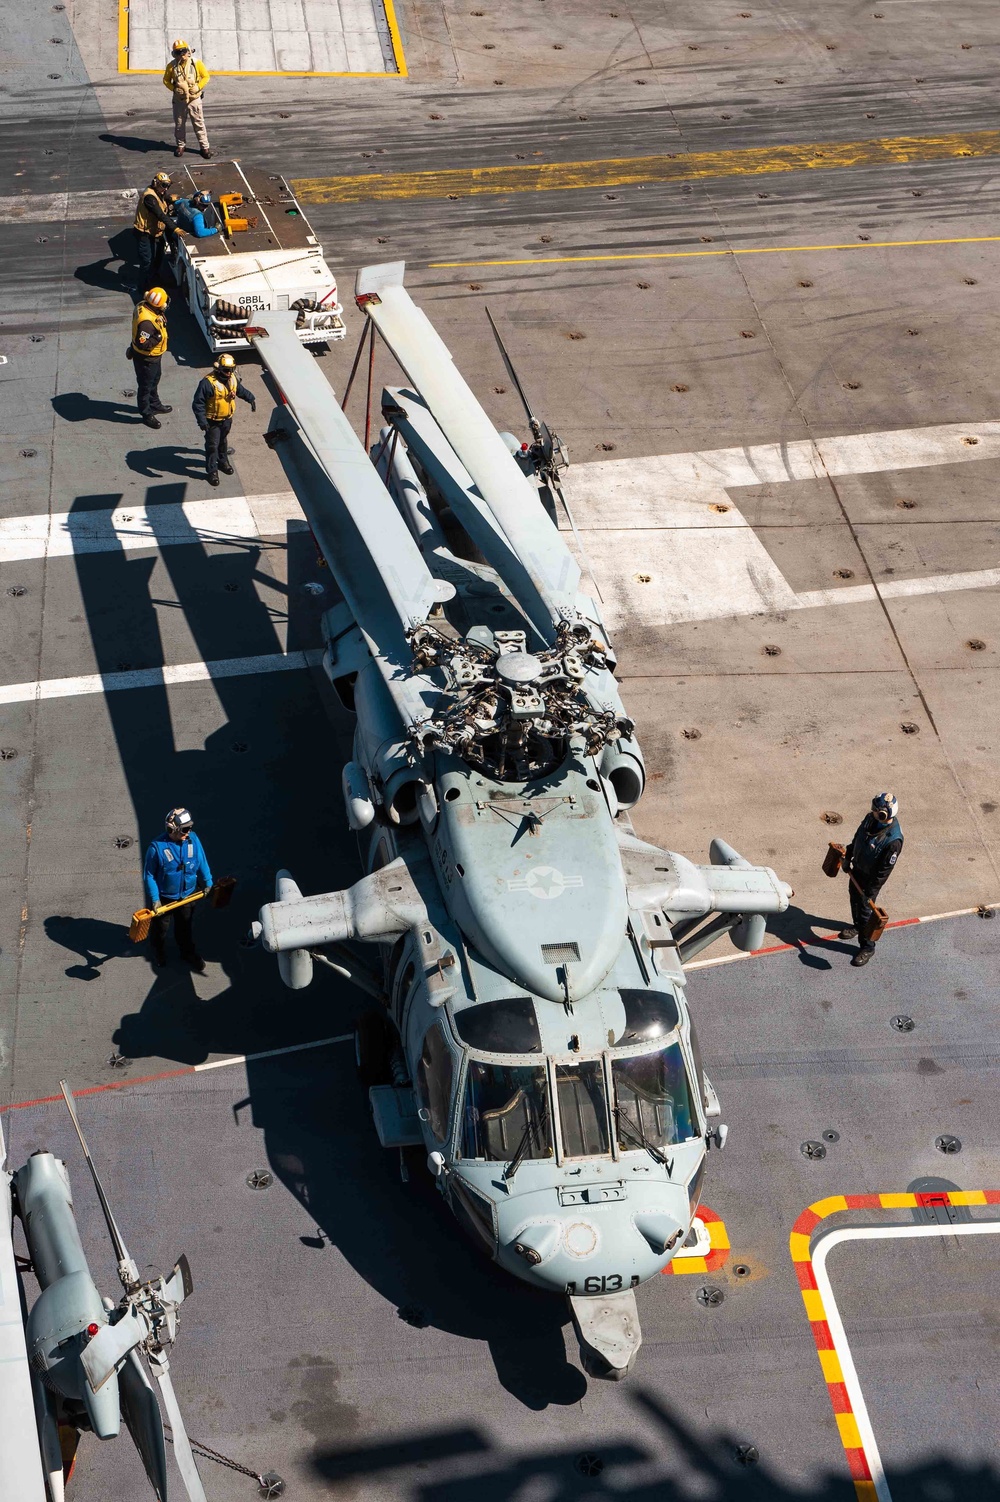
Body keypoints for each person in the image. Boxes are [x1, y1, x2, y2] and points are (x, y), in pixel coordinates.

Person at [143, 808, 213, 972]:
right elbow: (149, 876)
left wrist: (208, 881)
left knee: (185, 927)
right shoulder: (156, 849)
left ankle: (187, 952)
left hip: (187, 895)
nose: (189, 832)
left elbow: (201, 860)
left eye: (190, 828)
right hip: (165, 898)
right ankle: (158, 950)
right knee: (160, 929)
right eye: (185, 829)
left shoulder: (193, 840)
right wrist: (155, 899)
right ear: (171, 830)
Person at [840, 792, 903, 967]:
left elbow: (884, 871)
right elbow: (858, 837)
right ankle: (857, 926)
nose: (872, 811)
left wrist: (871, 892)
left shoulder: (893, 841)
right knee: (854, 900)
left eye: (876, 810)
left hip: (870, 880)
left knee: (866, 912)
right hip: (858, 870)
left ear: (884, 814)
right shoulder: (870, 819)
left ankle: (867, 947)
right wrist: (848, 857)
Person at [193, 353, 256, 486]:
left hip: (227, 419)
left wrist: (250, 398)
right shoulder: (207, 383)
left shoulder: (232, 379)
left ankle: (223, 462)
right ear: (218, 369)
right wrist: (202, 422)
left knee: (223, 442)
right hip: (213, 422)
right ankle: (212, 471)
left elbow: (240, 390)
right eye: (226, 370)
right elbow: (198, 404)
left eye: (231, 370)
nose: (229, 373)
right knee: (212, 446)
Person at [130, 287, 172, 429]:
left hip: (154, 356)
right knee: (145, 386)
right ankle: (146, 413)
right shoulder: (147, 323)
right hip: (147, 358)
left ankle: (155, 404)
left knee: (155, 378)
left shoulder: (143, 304)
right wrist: (157, 338)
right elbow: (143, 344)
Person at [163, 40, 213, 159]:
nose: (182, 55)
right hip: (179, 100)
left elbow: (206, 77)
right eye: (178, 52)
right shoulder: (171, 66)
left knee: (199, 123)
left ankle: (204, 148)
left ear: (188, 51)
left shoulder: (196, 64)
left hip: (194, 99)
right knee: (179, 124)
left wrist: (198, 87)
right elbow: (166, 80)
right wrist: (174, 89)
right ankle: (181, 146)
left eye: (183, 51)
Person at [132, 171, 177, 288]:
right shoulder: (149, 198)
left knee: (158, 256)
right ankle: (143, 287)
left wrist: (168, 198)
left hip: (155, 232)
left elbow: (161, 197)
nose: (166, 189)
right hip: (144, 233)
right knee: (146, 261)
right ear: (156, 183)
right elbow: (160, 215)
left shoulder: (158, 192)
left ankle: (154, 278)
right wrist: (175, 228)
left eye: (168, 186)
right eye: (164, 186)